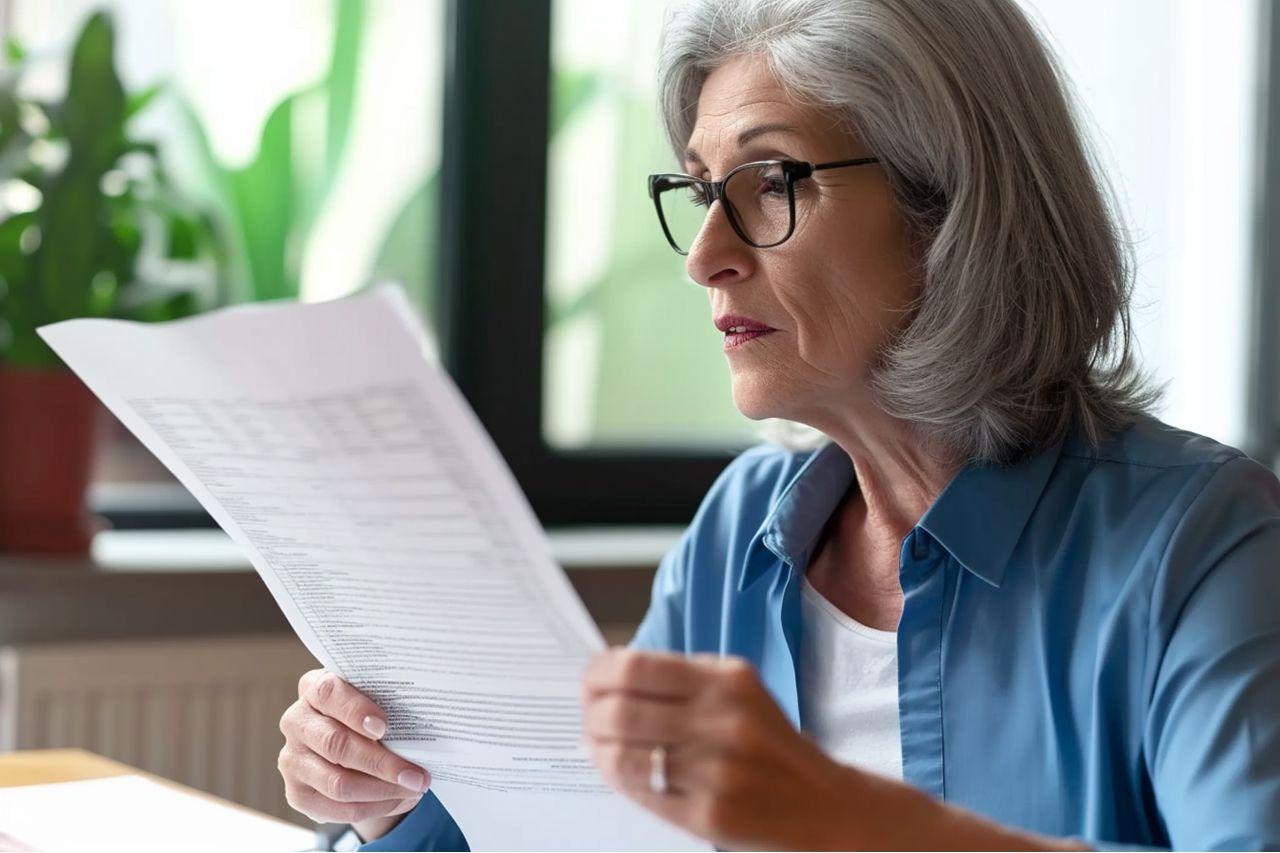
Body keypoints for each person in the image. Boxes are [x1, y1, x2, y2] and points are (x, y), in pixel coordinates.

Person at [277, 0, 1280, 848]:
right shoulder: (741, 531)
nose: (703, 255)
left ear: (949, 204)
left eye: (768, 183)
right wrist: (399, 787)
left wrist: (841, 818)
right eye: (702, 192)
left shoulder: (1204, 543)